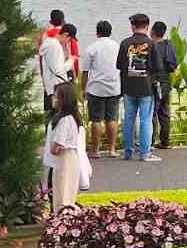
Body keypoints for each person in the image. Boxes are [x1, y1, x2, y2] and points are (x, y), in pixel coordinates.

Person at [116, 13, 162, 162]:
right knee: (145, 120)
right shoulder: (152, 44)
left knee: (129, 119)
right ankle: (144, 153)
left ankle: (128, 152)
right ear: (147, 26)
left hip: (128, 87)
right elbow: (158, 67)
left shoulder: (124, 43)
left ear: (132, 26)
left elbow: (119, 65)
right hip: (146, 88)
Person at [44, 81, 89, 210]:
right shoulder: (69, 117)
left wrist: (53, 147)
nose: (53, 98)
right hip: (66, 159)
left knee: (63, 194)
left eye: (56, 96)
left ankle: (62, 222)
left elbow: (56, 146)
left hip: (65, 159)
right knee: (63, 191)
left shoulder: (65, 120)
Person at [80, 20, 121, 158]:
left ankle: (96, 151)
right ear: (110, 32)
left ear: (97, 32)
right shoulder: (117, 46)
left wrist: (83, 89)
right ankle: (112, 149)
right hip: (114, 87)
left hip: (96, 88)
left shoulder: (91, 48)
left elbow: (85, 71)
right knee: (112, 119)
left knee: (96, 120)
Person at [150, 20, 178, 151]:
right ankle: (165, 141)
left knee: (152, 112)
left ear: (153, 32)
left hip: (154, 82)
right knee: (165, 112)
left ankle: (150, 141)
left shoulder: (152, 46)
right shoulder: (169, 45)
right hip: (167, 82)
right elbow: (173, 66)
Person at [38, 13, 70, 118]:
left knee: (49, 107)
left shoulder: (45, 36)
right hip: (63, 73)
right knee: (65, 107)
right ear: (63, 20)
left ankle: (49, 129)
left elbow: (41, 57)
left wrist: (43, 76)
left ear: (51, 21)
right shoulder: (68, 33)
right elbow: (74, 54)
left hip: (48, 76)